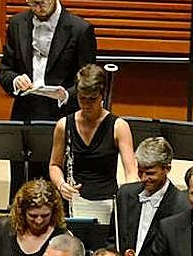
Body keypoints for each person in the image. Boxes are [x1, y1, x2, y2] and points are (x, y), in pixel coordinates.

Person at [0, 0, 97, 191]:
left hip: (62, 118)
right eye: (31, 2)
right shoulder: (17, 24)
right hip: (25, 115)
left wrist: (67, 94)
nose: (37, 9)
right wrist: (15, 81)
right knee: (22, 188)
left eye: (42, 3)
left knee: (56, 188)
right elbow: (4, 71)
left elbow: (90, 81)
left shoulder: (80, 30)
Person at [109, 136, 189, 256]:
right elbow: (113, 239)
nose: (144, 178)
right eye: (140, 171)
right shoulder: (124, 194)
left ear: (167, 168)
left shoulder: (182, 206)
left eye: (151, 173)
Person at [48, 64, 137, 223]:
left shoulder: (119, 127)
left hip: (108, 203)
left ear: (102, 95)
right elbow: (54, 165)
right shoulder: (64, 125)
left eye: (92, 99)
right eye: (82, 98)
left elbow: (131, 173)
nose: (87, 104)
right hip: (73, 202)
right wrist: (61, 185)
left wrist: (127, 200)